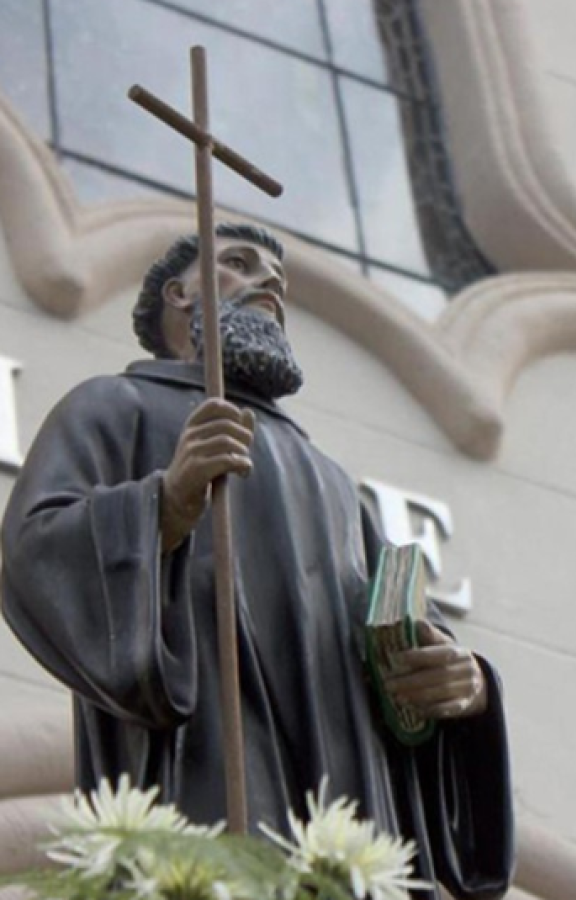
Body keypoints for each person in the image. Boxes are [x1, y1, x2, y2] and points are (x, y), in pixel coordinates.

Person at [0, 223, 513, 899]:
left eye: (277, 276)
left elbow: (393, 635)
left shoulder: (333, 482)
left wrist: (461, 690)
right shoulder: (116, 405)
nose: (269, 281)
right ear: (179, 295)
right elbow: (36, 548)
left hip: (345, 801)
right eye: (239, 263)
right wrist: (165, 505)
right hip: (205, 766)